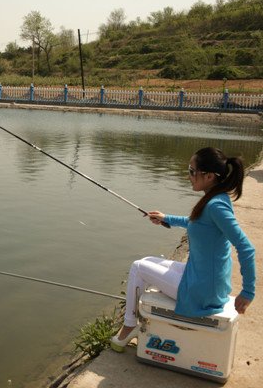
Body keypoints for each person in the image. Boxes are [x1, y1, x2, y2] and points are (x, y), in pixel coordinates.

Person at [110, 147, 256, 352]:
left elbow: (246, 248)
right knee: (149, 261)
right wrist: (166, 219)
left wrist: (248, 292)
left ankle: (129, 326)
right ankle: (137, 319)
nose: (188, 175)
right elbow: (196, 223)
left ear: (209, 176)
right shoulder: (215, 199)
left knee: (138, 267)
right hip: (204, 280)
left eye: (191, 171)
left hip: (203, 292)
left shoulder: (216, 206)